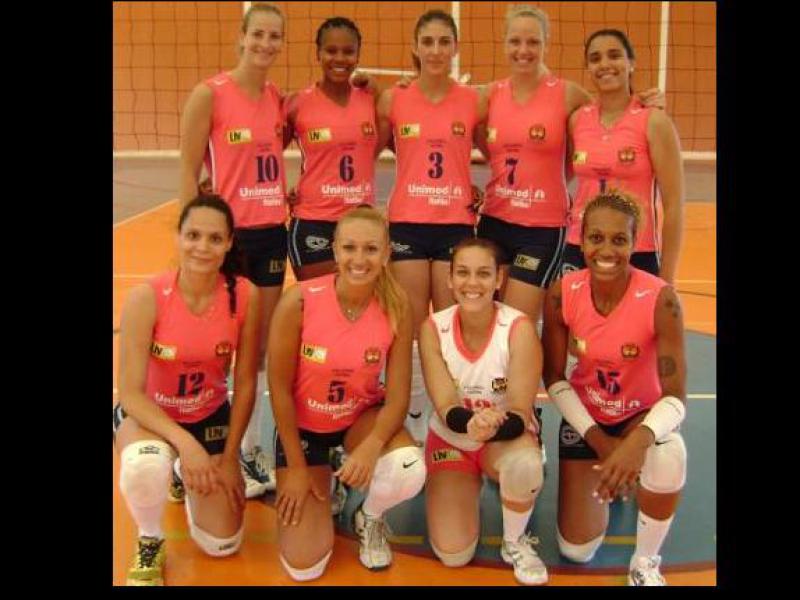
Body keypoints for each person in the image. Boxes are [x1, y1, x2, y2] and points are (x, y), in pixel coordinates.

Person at [475, 5, 666, 322]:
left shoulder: (569, 95)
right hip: (493, 221)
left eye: (533, 42)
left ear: (547, 44)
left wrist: (645, 101)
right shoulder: (490, 94)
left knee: (514, 322)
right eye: (515, 41)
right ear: (504, 43)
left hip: (542, 228)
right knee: (483, 319)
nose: (523, 50)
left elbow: (610, 116)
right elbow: (447, 117)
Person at [267, 205, 426, 581]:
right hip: (306, 430)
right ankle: (328, 473)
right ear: (335, 250)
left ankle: (369, 516)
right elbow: (279, 389)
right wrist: (296, 469)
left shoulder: (397, 305)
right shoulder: (299, 301)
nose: (359, 259)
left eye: (371, 249)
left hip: (358, 420)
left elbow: (399, 397)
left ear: (386, 253)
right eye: (349, 248)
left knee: (408, 468)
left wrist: (372, 446)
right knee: (304, 567)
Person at [541, 191, 688, 586]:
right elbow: (553, 378)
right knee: (577, 549)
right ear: (581, 240)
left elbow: (676, 398)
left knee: (669, 452)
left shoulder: (661, 299)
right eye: (596, 238)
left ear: (635, 242)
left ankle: (645, 561)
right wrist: (605, 446)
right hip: (588, 419)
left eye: (619, 240)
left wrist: (634, 444)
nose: (606, 250)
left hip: (639, 416)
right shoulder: (561, 293)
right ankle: (622, 473)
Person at [114, 195, 260, 586]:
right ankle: (149, 537)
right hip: (151, 415)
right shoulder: (148, 297)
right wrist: (186, 445)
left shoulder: (244, 295)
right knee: (144, 466)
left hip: (208, 414)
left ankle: (182, 473)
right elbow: (130, 394)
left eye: (215, 238)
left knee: (222, 543)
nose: (202, 247)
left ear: (229, 243)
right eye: (193, 235)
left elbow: (246, 381)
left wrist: (231, 456)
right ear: (178, 237)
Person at [179, 2, 289, 498]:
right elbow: (188, 172)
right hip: (229, 238)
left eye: (274, 36)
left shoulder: (277, 98)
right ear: (241, 37)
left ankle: (246, 447)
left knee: (257, 351)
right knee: (215, 347)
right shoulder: (210, 94)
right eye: (258, 34)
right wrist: (193, 240)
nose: (265, 43)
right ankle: (196, 446)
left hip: (271, 234)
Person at [375, 9, 483, 441]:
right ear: (415, 48)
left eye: (444, 42)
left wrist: (485, 189)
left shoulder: (474, 100)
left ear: (456, 48)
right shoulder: (393, 100)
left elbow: (509, 150)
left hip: (455, 225)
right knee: (412, 329)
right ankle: (416, 417)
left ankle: (455, 416)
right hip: (408, 224)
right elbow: (362, 145)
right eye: (428, 42)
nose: (436, 50)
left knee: (453, 326)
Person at [419, 238, 547, 585]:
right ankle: (461, 486)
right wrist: (472, 423)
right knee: (453, 553)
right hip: (453, 438)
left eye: (483, 274)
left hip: (505, 437)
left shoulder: (518, 328)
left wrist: (491, 426)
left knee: (525, 466)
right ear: (449, 279)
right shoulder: (433, 328)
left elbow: (519, 410)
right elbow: (445, 404)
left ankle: (514, 541)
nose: (472, 283)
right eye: (462, 273)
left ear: (498, 279)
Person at [563, 28, 684, 284]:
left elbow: (674, 206)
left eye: (614, 55)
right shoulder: (577, 120)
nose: (605, 64)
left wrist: (667, 280)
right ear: (588, 68)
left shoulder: (654, 122)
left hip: (636, 248)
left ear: (631, 63)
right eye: (595, 58)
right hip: (581, 245)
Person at [283, 17, 384, 282]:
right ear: (318, 53)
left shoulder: (373, 99)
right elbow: (263, 149)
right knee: (319, 302)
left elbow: (409, 148)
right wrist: (277, 188)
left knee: (361, 302)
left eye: (348, 51)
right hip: (314, 221)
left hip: (362, 222)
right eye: (331, 50)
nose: (339, 58)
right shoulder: (297, 104)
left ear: (358, 55)